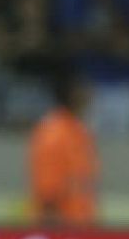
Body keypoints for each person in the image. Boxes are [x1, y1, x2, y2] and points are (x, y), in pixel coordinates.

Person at [30, 69, 98, 227]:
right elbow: (48, 196)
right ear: (72, 93)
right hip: (63, 232)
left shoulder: (78, 131)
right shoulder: (53, 133)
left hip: (83, 228)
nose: (90, 93)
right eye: (84, 87)